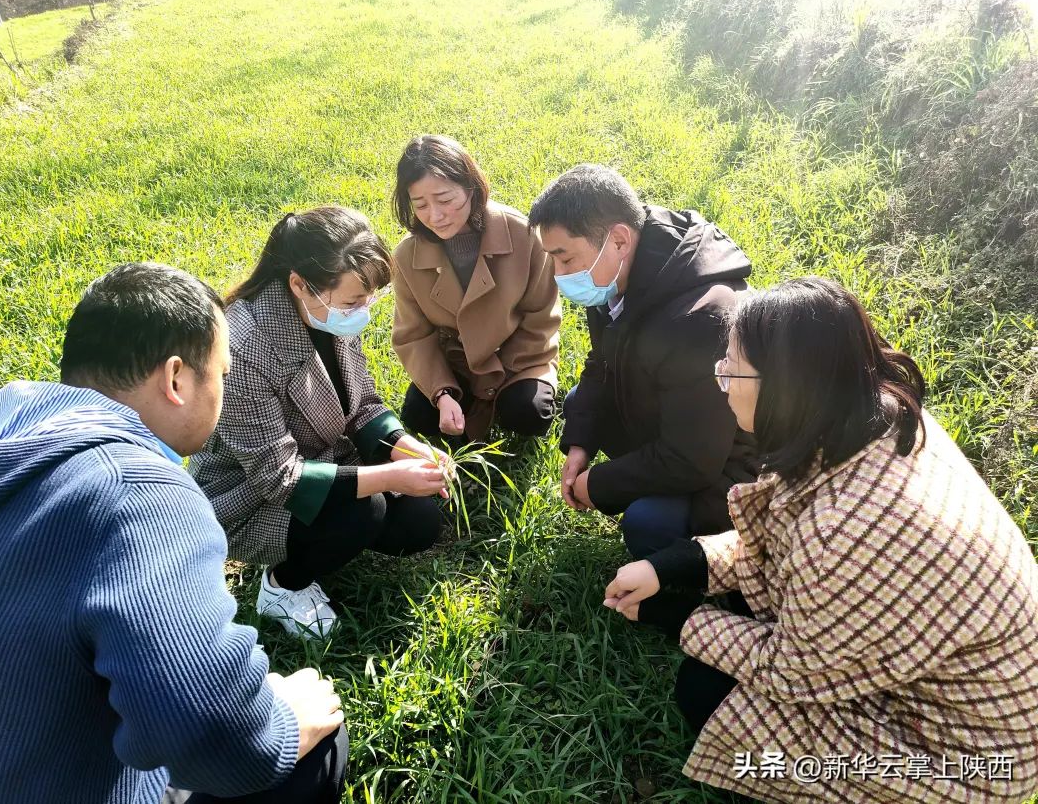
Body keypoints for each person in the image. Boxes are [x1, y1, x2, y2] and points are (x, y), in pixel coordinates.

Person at [603, 277, 1038, 803]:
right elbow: (774, 541)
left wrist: (677, 618)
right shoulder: (874, 417)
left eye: (731, 371)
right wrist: (670, 568)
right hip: (959, 689)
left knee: (708, 692)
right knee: (735, 631)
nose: (722, 383)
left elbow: (791, 671)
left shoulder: (843, 533)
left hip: (966, 759)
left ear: (784, 388)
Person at [0, 262, 348, 804]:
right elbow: (225, 738)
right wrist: (283, 723)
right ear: (175, 379)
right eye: (223, 375)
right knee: (316, 746)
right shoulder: (139, 493)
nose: (224, 388)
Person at [190, 207, 448, 641]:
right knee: (363, 509)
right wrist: (387, 475)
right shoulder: (245, 348)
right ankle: (282, 586)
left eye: (369, 299)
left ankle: (332, 539)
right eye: (354, 302)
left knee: (419, 524)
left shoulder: (328, 308)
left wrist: (402, 444)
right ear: (298, 284)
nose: (363, 312)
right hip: (247, 493)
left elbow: (362, 403)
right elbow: (280, 478)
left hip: (321, 453)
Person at [528, 163, 758, 563]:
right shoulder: (617, 271)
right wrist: (580, 442)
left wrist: (597, 485)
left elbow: (693, 459)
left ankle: (691, 579)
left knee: (646, 522)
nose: (558, 275)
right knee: (580, 403)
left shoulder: (699, 320)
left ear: (618, 238)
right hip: (678, 417)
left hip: (735, 460)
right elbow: (602, 361)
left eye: (564, 259)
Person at [391, 134, 561, 441]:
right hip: (456, 364)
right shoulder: (405, 256)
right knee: (418, 415)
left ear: (471, 187)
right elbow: (414, 335)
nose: (435, 215)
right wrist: (442, 392)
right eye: (420, 205)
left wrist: (498, 374)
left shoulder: (523, 235)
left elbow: (541, 318)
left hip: (518, 361)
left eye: (445, 200)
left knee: (527, 413)